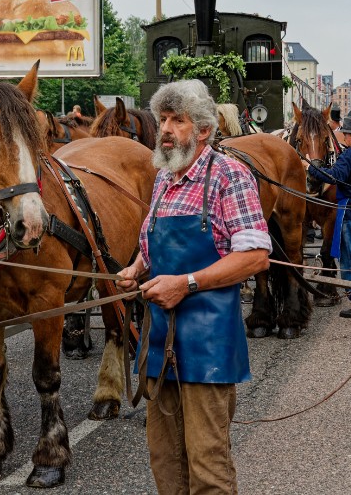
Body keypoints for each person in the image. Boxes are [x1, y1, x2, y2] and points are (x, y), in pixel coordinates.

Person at [117, 79, 271, 495]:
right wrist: (136, 267)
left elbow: (255, 255)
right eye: (162, 119)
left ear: (203, 130)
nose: (165, 129)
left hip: (208, 344)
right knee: (165, 461)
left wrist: (186, 283)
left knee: (207, 465)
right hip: (160, 339)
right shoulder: (165, 178)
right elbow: (154, 247)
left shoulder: (228, 175)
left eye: (177, 120)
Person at [308, 114, 351, 318]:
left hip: (348, 211)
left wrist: (311, 168)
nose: (343, 137)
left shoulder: (348, 155)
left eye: (345, 134)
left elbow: (336, 176)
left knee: (348, 257)